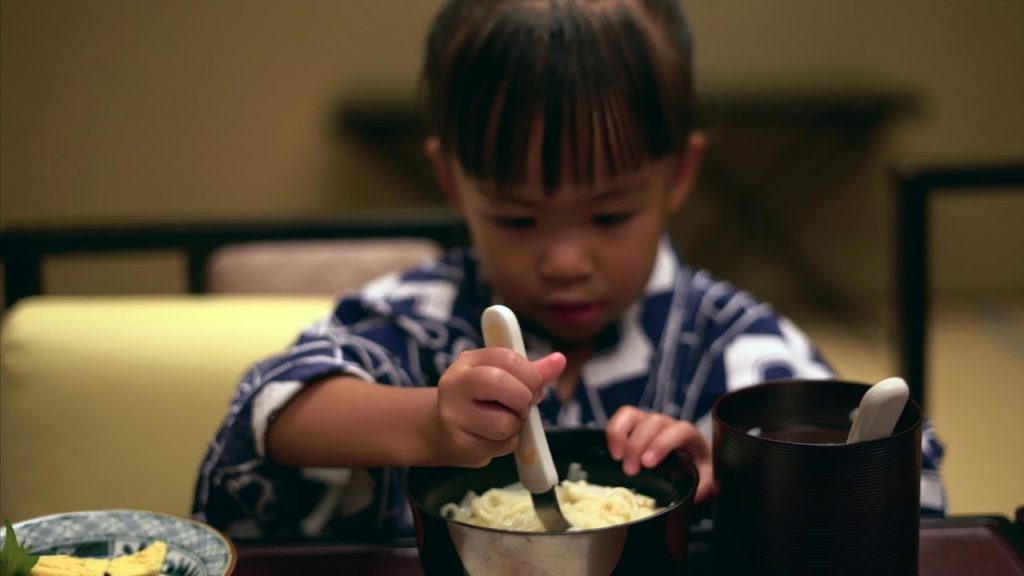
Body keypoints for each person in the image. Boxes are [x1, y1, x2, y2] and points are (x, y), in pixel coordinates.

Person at [192, 0, 945, 540]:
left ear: (679, 176)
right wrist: (427, 422)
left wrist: (737, 473)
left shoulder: (730, 343)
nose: (565, 261)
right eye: (518, 219)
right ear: (453, 183)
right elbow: (272, 410)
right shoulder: (418, 316)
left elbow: (910, 498)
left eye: (610, 216)